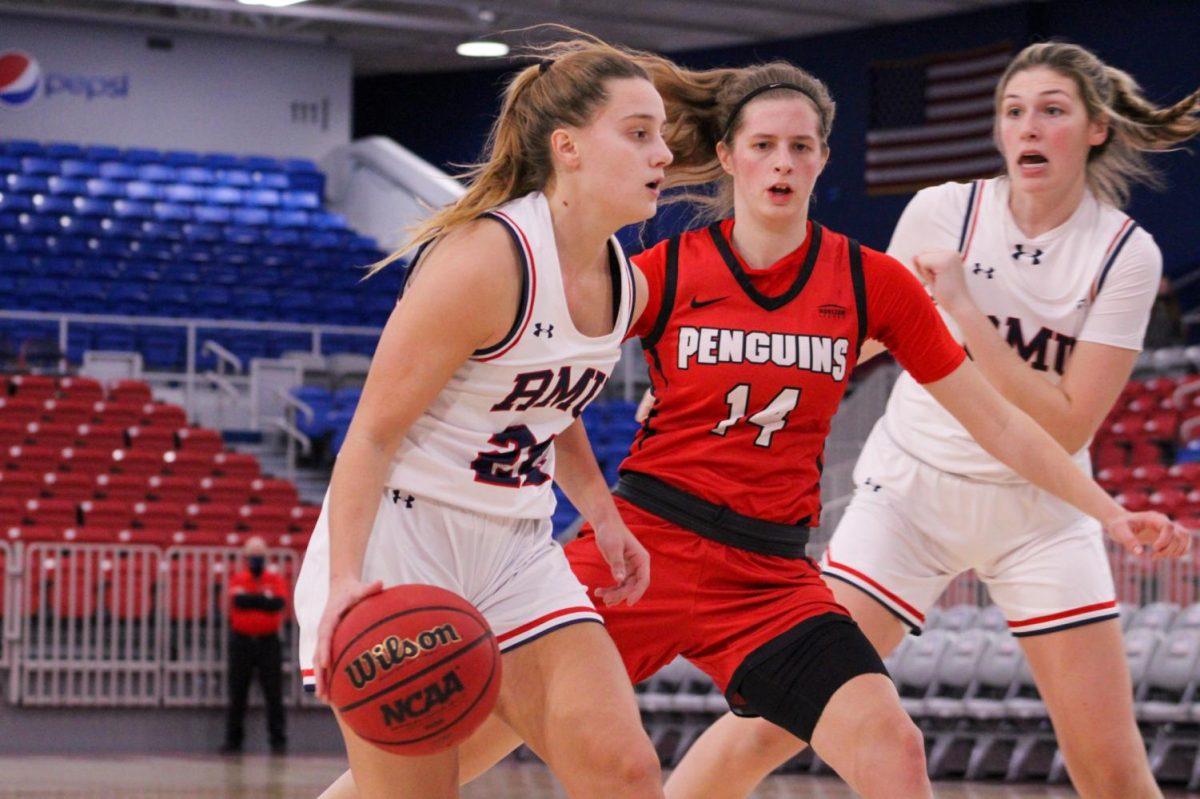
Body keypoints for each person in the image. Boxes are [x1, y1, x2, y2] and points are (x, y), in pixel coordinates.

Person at [319, 55, 1189, 799]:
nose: (781, 163)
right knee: (458, 728)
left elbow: (1000, 421)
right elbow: (536, 388)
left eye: (800, 147)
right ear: (730, 157)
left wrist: (1104, 508)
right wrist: (605, 510)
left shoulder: (871, 282)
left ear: (822, 160)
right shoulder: (652, 273)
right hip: (652, 542)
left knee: (893, 746)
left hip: (769, 572)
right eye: (763, 145)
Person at [669, 42, 1200, 799]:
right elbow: (862, 336)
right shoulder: (944, 208)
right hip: (909, 494)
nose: (1028, 129)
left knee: (1113, 770)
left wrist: (961, 310)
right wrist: (744, 398)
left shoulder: (1125, 253)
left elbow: (1068, 426)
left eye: (1052, 112)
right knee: (773, 720)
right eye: (1013, 112)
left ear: (1095, 130)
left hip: (1040, 511)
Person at [292, 33, 674, 799]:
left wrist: (600, 511)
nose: (662, 153)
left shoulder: (624, 282)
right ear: (567, 147)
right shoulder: (483, 259)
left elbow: (546, 399)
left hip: (515, 546)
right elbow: (370, 433)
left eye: (661, 134)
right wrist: (343, 581)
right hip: (405, 541)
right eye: (638, 133)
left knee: (626, 771)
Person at [221, 535, 289, 755]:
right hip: (241, 642)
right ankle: (233, 742)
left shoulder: (275, 579)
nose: (256, 559)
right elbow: (238, 602)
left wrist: (253, 599)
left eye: (259, 556)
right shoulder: (238, 578)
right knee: (237, 693)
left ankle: (278, 741)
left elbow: (277, 604)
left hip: (269, 643)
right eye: (252, 556)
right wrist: (262, 600)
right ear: (245, 557)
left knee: (274, 694)